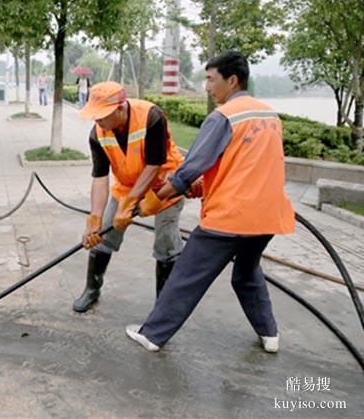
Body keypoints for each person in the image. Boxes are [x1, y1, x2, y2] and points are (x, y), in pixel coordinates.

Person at [125, 50, 295, 354]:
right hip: (269, 215)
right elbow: (247, 165)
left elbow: (191, 167)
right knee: (246, 272)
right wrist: (203, 188)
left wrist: (156, 198)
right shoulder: (270, 115)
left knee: (186, 275)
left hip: (231, 217)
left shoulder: (224, 117)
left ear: (232, 80)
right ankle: (270, 335)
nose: (206, 86)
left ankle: (152, 334)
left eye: (210, 79)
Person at [73, 81, 185, 313]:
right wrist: (94, 218)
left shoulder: (151, 117)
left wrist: (131, 204)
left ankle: (163, 306)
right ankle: (92, 289)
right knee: (103, 233)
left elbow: (155, 164)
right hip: (126, 186)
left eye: (102, 116)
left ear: (120, 108)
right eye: (95, 116)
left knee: (166, 242)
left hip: (164, 184)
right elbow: (100, 177)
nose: (98, 121)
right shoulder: (98, 133)